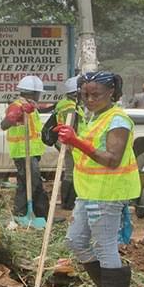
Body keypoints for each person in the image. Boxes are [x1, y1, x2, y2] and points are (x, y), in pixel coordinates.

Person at [54, 71, 140, 287]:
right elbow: (87, 154)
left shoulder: (118, 120)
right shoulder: (93, 117)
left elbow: (112, 159)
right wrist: (67, 143)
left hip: (108, 192)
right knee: (75, 241)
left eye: (96, 95)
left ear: (111, 92)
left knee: (104, 245)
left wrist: (77, 141)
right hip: (89, 192)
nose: (90, 100)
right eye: (85, 95)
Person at [1, 75, 50, 220]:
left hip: (31, 152)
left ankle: (24, 214)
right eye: (38, 93)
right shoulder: (16, 106)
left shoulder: (31, 106)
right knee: (34, 183)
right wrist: (14, 116)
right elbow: (4, 125)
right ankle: (37, 214)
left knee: (25, 183)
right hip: (23, 153)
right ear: (33, 92)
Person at [54, 76, 83, 210]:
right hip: (70, 143)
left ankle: (67, 202)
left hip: (66, 142)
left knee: (69, 171)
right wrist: (73, 145)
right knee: (71, 173)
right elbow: (70, 126)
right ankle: (68, 202)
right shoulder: (71, 107)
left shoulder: (64, 103)